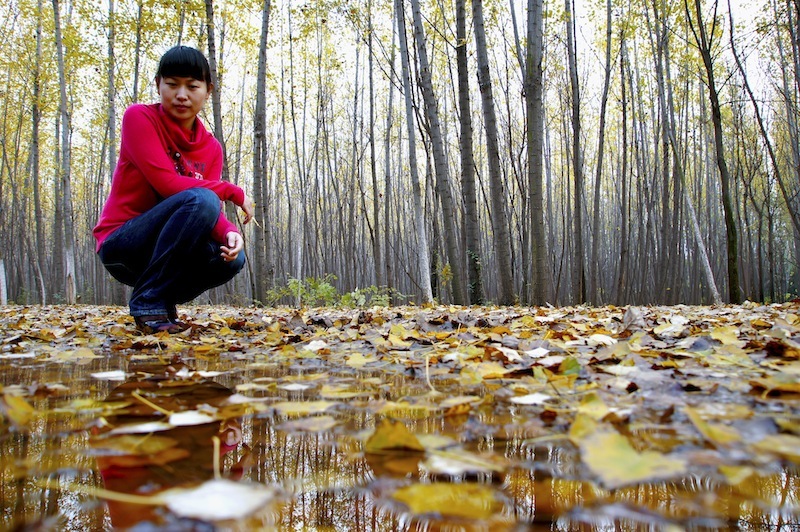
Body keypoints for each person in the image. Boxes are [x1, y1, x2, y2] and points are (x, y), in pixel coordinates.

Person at [93, 45, 254, 333]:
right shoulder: (139, 118)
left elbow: (206, 212)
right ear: (158, 85)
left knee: (232, 258)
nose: (181, 95)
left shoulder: (212, 148)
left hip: (171, 248)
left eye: (192, 86)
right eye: (171, 84)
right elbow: (168, 184)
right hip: (123, 243)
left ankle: (161, 298)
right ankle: (149, 303)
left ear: (208, 91)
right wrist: (232, 191)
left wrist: (230, 231)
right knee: (203, 198)